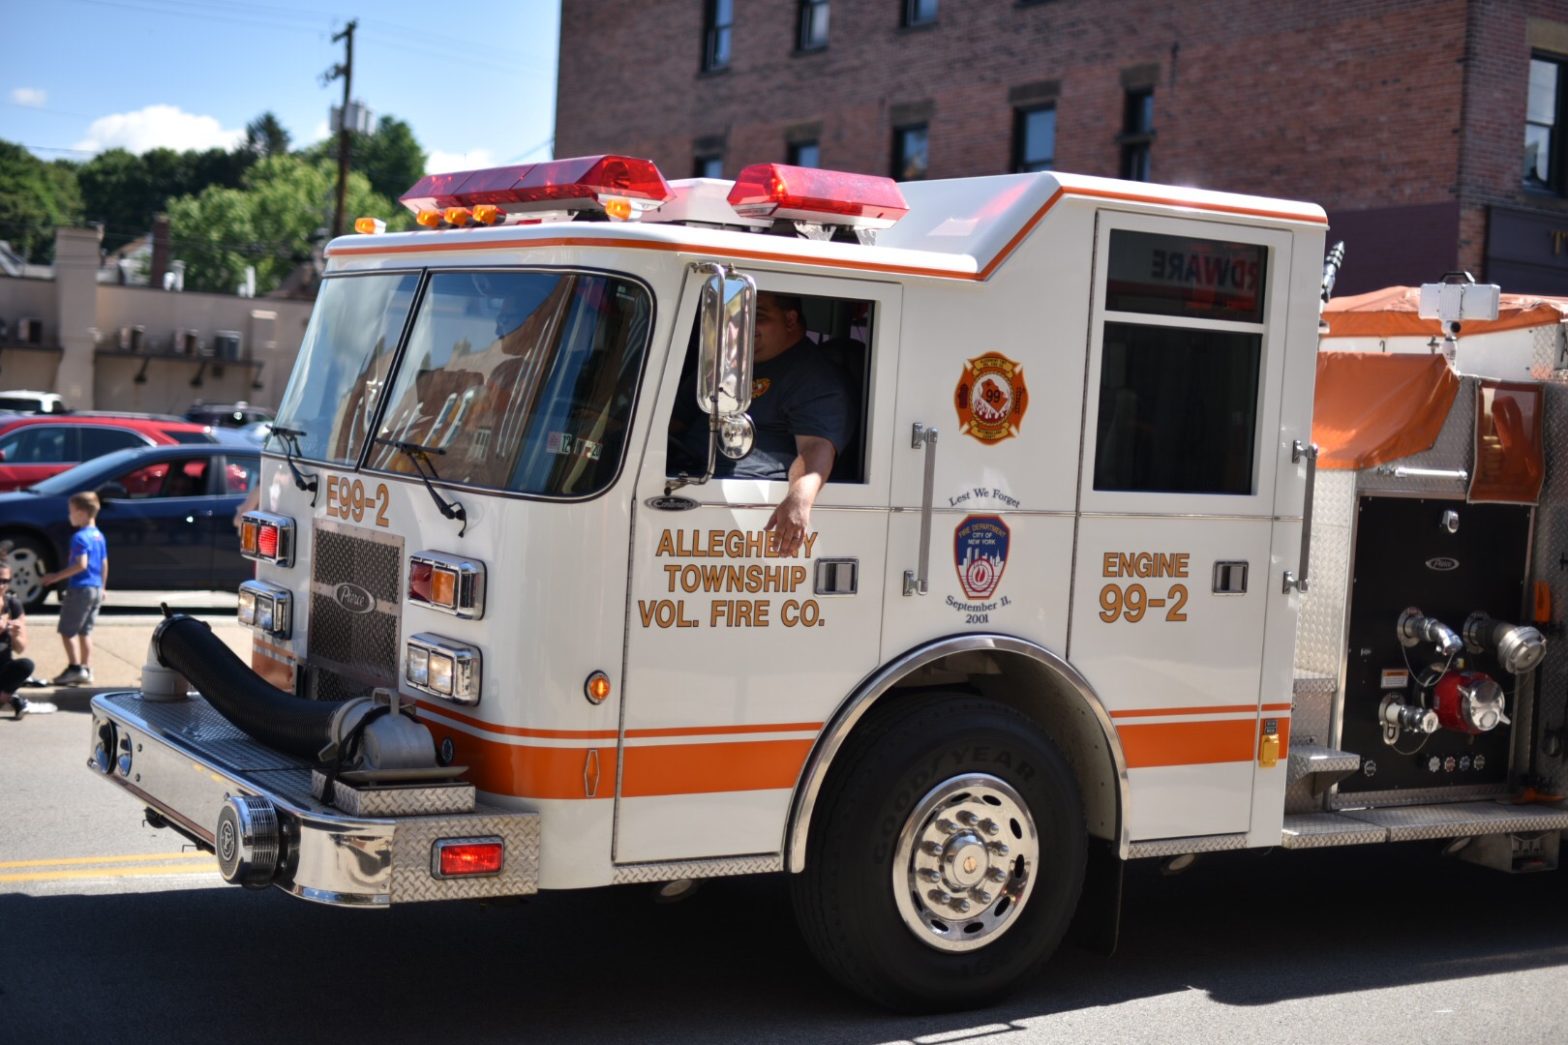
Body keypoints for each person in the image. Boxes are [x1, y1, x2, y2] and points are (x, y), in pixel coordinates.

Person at [672, 292, 853, 555]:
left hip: (742, 502)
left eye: (756, 316)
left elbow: (815, 446)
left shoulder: (814, 377)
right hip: (687, 479)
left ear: (790, 320)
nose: (740, 327)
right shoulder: (725, 365)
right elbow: (675, 421)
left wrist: (798, 500)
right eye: (736, 317)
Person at [39, 491, 108, 686]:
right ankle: (86, 668)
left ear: (82, 513)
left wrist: (55, 577)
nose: (69, 515)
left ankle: (75, 668)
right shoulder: (98, 536)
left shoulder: (79, 537)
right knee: (85, 632)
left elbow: (81, 565)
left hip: (80, 588)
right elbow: (104, 563)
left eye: (71, 511)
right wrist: (103, 586)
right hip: (95, 587)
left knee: (67, 630)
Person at [0, 564, 34, 718]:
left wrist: (15, 634)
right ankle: (13, 700)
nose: (2, 585)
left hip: (3, 667)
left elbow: (21, 648)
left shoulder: (13, 605)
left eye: (5, 580)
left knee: (26, 665)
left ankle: (4, 697)